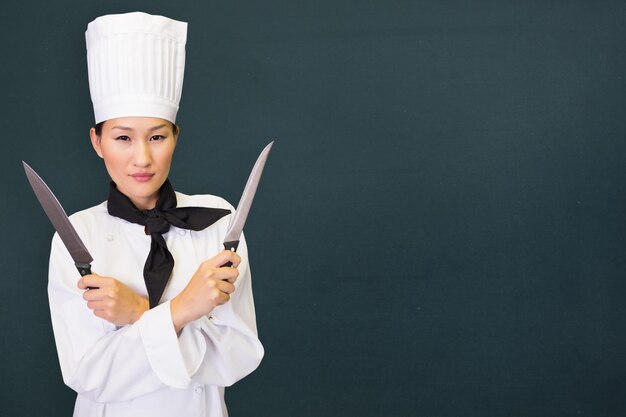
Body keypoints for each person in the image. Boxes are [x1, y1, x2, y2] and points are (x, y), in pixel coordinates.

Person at [47, 12, 264, 417]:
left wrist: (137, 317)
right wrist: (183, 311)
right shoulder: (77, 233)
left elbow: (236, 357)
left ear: (176, 137)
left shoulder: (219, 220)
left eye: (157, 137)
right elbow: (91, 375)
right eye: (123, 138)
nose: (142, 158)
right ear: (97, 141)